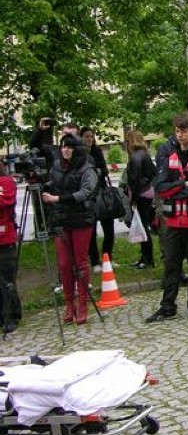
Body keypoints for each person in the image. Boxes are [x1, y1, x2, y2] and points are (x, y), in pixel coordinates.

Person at [145, 113, 188, 322]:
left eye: (184, 131)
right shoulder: (169, 156)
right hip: (174, 222)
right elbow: (160, 188)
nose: (180, 135)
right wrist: (182, 185)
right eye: (177, 131)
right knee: (171, 267)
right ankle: (167, 307)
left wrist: (173, 190)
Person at [40, 134, 98, 325]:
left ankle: (82, 304)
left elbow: (85, 192)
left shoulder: (87, 168)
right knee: (64, 264)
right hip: (61, 219)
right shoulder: (56, 166)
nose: (65, 150)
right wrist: (45, 187)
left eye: (69, 147)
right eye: (63, 146)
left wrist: (58, 199)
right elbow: (54, 182)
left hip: (81, 218)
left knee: (80, 263)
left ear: (77, 149)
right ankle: (68, 304)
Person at [79, 127, 115, 274]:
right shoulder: (79, 154)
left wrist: (99, 171)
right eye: (86, 136)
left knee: (109, 229)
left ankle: (108, 257)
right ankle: (94, 261)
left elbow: (104, 171)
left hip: (102, 193)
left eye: (91, 137)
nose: (89, 139)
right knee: (91, 231)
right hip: (88, 196)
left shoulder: (97, 151)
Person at [125, 129, 157, 270]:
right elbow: (153, 173)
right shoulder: (145, 154)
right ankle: (145, 258)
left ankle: (147, 259)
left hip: (141, 194)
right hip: (147, 193)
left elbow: (135, 179)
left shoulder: (136, 157)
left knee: (143, 227)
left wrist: (133, 199)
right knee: (144, 226)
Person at [0, 161, 22, 334]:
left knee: (7, 280)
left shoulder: (6, 182)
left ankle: (12, 315)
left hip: (4, 238)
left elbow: (5, 201)